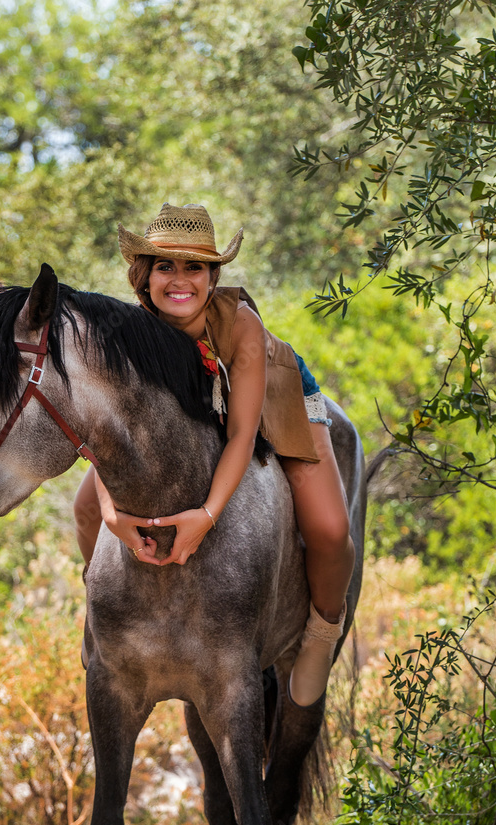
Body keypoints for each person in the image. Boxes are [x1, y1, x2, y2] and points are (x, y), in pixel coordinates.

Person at [74, 203, 355, 708]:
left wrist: (206, 515)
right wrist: (114, 514)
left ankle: (320, 634)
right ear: (143, 275)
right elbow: (105, 440)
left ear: (212, 275)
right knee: (85, 508)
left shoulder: (238, 320)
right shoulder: (130, 335)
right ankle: (101, 613)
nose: (179, 280)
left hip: (273, 397)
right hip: (194, 412)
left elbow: (243, 434)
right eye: (165, 266)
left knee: (331, 531)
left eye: (194, 267)